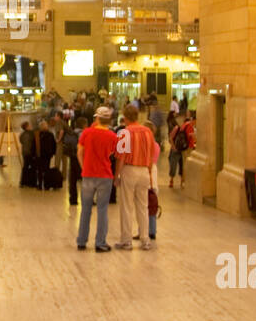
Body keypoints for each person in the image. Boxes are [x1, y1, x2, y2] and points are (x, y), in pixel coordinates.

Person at [116, 105, 160, 250]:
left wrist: (117, 175)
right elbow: (151, 154)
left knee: (126, 206)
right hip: (144, 171)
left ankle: (126, 240)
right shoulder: (148, 132)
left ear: (125, 117)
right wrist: (149, 172)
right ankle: (145, 239)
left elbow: (121, 157)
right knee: (143, 206)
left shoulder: (124, 133)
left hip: (130, 170)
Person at [76, 107, 119, 252]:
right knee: (102, 210)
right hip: (105, 175)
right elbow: (114, 154)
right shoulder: (113, 136)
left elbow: (79, 152)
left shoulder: (86, 133)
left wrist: (84, 167)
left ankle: (81, 241)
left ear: (97, 118)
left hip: (88, 174)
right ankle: (100, 242)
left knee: (85, 209)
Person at [168, 112, 195, 188]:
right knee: (181, 165)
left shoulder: (179, 127)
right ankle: (179, 181)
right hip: (180, 149)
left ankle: (173, 180)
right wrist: (173, 147)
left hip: (178, 148)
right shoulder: (185, 127)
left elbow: (171, 137)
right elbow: (171, 137)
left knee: (175, 164)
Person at [62, 118, 83, 205]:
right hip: (82, 159)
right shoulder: (84, 134)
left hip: (72, 158)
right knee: (85, 181)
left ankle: (73, 199)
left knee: (72, 180)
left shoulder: (71, 134)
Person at [35, 119, 57, 190]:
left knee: (39, 170)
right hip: (48, 155)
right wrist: (53, 153)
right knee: (46, 169)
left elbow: (34, 145)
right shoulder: (50, 134)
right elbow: (54, 144)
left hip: (39, 154)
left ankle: (40, 185)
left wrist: (33, 154)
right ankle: (47, 185)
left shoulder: (37, 134)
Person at [18, 121, 36, 187]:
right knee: (33, 167)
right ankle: (32, 182)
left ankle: (22, 182)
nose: (31, 126)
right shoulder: (31, 134)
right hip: (30, 152)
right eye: (29, 125)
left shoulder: (22, 134)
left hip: (24, 152)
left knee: (25, 167)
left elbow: (21, 141)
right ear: (27, 127)